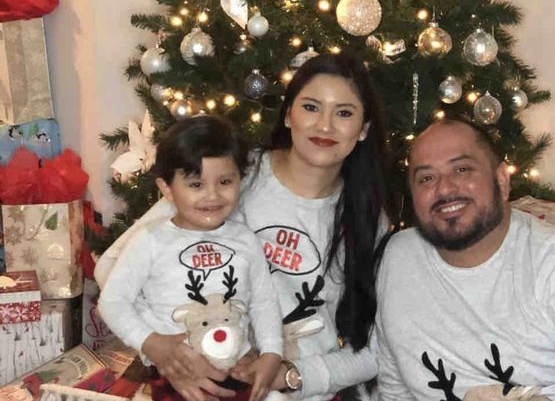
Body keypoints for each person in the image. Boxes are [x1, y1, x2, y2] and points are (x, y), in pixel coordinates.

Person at [95, 53, 393, 401]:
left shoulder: (369, 219)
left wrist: (292, 376)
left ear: (364, 129)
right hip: (205, 385)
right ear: (288, 114)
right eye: (311, 107)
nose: (324, 126)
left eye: (344, 113)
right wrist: (166, 348)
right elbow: (110, 268)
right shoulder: (230, 176)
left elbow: (377, 350)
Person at [374, 119, 555, 400]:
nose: (444, 188)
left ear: (502, 180)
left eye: (462, 170)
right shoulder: (400, 257)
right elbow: (394, 385)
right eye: (426, 178)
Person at [98, 116, 283, 401]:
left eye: (225, 181)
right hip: (177, 376)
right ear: (167, 189)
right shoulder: (151, 240)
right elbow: (112, 302)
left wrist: (272, 352)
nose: (212, 195)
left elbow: (264, 301)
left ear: (239, 179)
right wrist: (151, 343)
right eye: (196, 184)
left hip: (238, 372)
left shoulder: (245, 239)